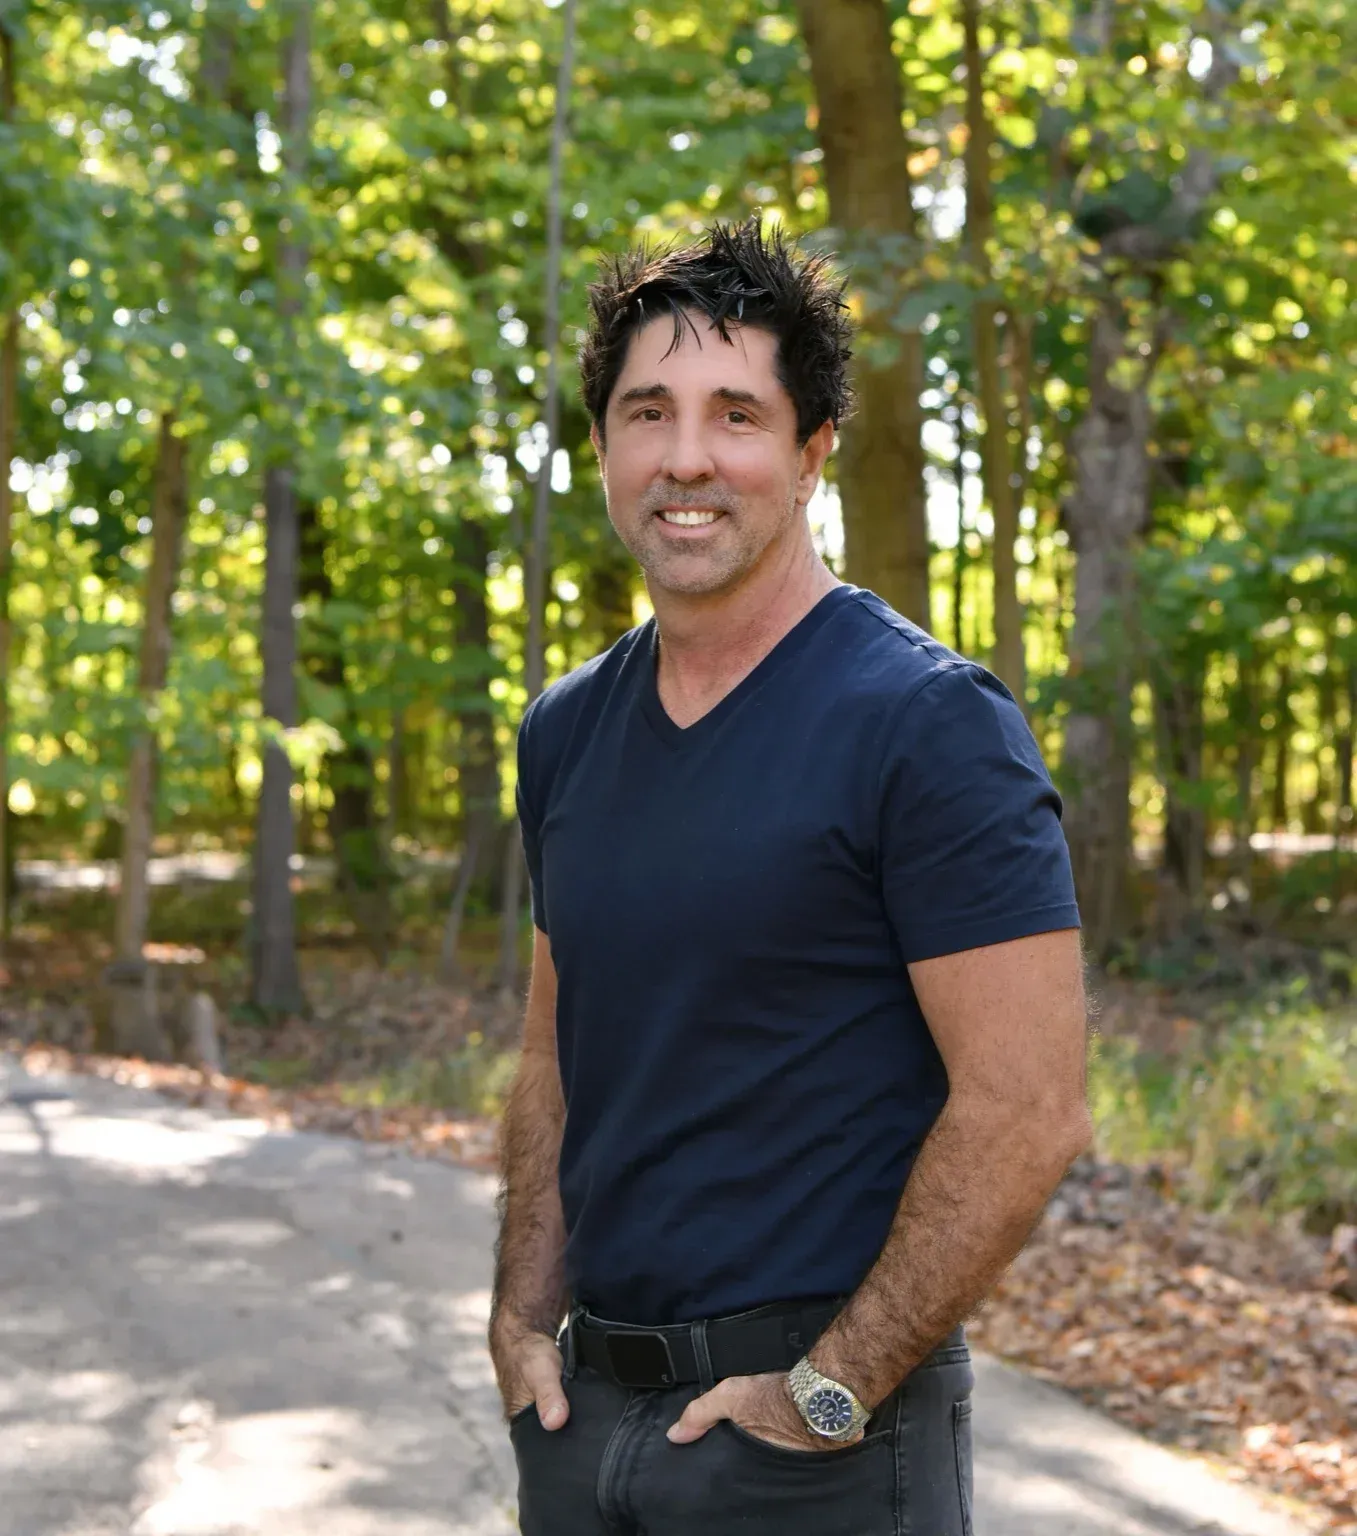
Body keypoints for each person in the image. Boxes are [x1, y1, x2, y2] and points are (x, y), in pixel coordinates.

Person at [489, 217, 1090, 1535]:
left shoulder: (926, 723)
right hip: (584, 1428)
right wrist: (522, 1315)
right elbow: (554, 1052)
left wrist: (832, 1392)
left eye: (737, 416)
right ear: (602, 449)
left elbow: (1028, 1105)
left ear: (811, 453)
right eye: (648, 413)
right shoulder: (564, 730)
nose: (687, 457)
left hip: (814, 1450)